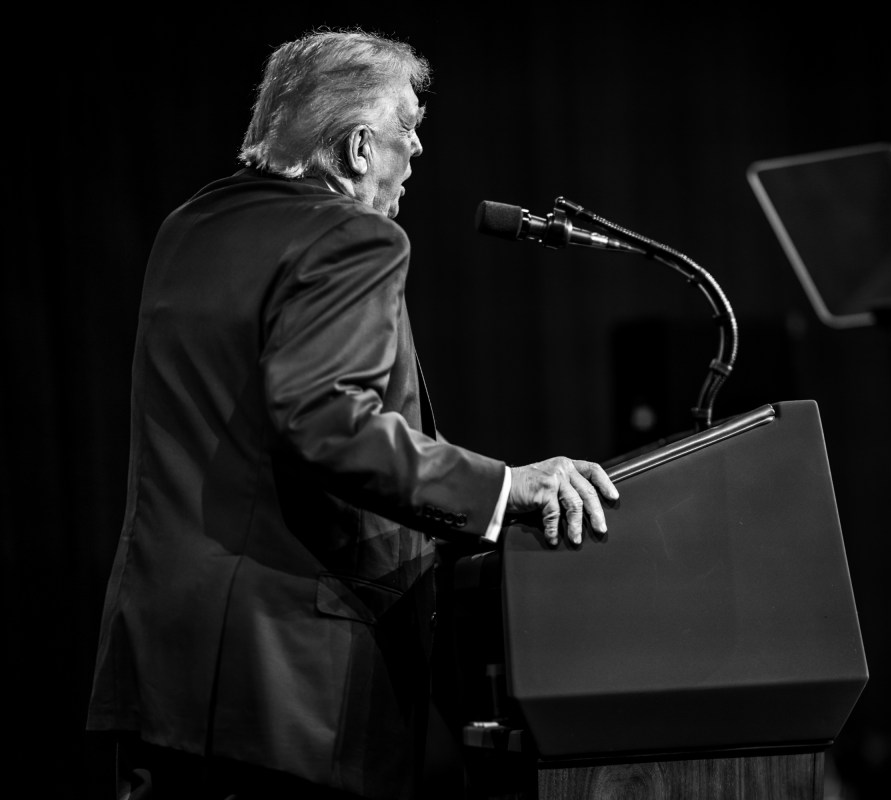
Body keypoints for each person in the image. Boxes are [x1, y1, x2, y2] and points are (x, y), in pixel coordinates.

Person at [86, 29, 618, 800]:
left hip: (164, 669)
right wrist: (505, 488)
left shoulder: (189, 228)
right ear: (361, 148)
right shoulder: (351, 235)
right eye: (410, 129)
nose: (420, 150)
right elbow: (327, 421)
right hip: (289, 687)